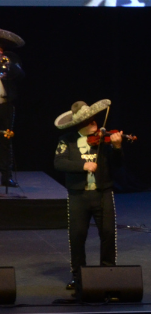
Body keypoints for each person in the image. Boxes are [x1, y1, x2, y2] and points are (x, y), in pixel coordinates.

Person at [53, 99, 123, 291]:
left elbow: (117, 166)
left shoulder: (103, 139)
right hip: (78, 195)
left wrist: (117, 147)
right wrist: (83, 166)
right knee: (77, 235)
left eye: (95, 121)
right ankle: (78, 276)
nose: (96, 124)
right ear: (82, 125)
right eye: (91, 122)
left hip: (103, 192)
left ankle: (108, 272)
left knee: (108, 233)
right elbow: (59, 163)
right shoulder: (66, 140)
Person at [0, 28, 25, 187]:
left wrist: (7, 64)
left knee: (5, 140)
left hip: (4, 105)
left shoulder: (10, 59)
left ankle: (6, 176)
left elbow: (20, 74)